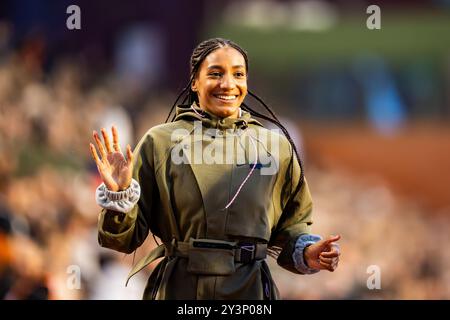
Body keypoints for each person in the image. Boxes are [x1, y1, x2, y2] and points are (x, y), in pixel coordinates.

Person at [89, 38, 340, 300]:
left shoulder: (275, 147)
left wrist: (308, 252)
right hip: (179, 290)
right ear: (195, 81)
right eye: (215, 74)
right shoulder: (159, 143)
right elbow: (122, 240)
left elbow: (292, 227)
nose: (228, 84)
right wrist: (119, 196)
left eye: (238, 74)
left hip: (250, 292)